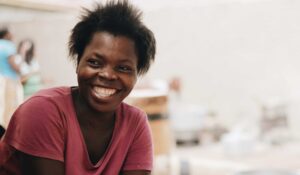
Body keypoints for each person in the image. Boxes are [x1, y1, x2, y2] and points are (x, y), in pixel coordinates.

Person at [0, 1, 156, 175]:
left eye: (123, 68)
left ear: (136, 75)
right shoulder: (43, 111)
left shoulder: (135, 125)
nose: (107, 75)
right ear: (77, 62)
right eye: (95, 62)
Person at [0, 27, 23, 129]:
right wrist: (20, 70)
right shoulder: (8, 45)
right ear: (6, 35)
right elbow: (13, 63)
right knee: (11, 107)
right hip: (9, 80)